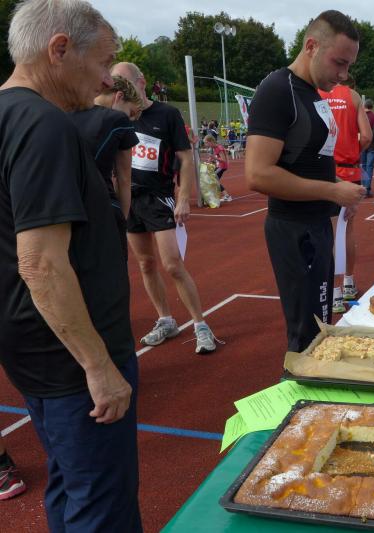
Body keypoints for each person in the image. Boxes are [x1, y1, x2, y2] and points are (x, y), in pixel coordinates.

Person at [0, 1, 141, 529]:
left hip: (34, 348)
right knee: (101, 504)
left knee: (71, 486)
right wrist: (98, 366)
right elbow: (39, 262)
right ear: (59, 49)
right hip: (71, 357)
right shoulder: (43, 125)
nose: (107, 80)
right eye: (103, 63)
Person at [245, 10, 364, 352]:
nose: (343, 74)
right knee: (306, 335)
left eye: (348, 66)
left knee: (320, 328)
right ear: (311, 46)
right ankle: (298, 385)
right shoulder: (277, 90)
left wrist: (339, 191)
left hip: (316, 224)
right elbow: (257, 173)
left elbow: (308, 160)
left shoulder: (313, 92)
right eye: (339, 63)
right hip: (294, 230)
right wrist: (333, 191)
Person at [112, 61, 218, 354]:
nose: (121, 89)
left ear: (141, 82)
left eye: (125, 82)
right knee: (145, 264)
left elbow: (184, 157)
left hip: (159, 197)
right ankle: (165, 319)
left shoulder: (167, 114)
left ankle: (200, 325)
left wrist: (183, 196)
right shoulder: (116, 115)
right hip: (130, 199)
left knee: (172, 264)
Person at [70, 75, 142, 259]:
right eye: (131, 113)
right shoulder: (117, 120)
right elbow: (124, 178)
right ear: (119, 97)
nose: (131, 120)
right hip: (101, 206)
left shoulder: (64, 110)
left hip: (64, 207)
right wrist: (122, 220)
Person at [319, 74, 372, 312]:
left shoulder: (316, 93)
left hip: (325, 170)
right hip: (350, 171)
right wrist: (353, 150)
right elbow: (367, 136)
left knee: (328, 234)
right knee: (347, 231)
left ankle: (335, 293)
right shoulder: (353, 96)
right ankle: (348, 283)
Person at [203, 134, 232, 202]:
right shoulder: (215, 147)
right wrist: (210, 160)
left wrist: (214, 158)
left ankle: (227, 196)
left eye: (206, 143)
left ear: (211, 141)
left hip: (222, 166)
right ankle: (223, 195)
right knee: (214, 180)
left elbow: (223, 160)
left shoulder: (219, 148)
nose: (206, 145)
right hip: (219, 166)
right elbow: (216, 157)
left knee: (213, 179)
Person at [360, 98, 374, 197]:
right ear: (372, 106)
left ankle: (363, 187)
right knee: (369, 166)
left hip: (362, 143)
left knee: (363, 166)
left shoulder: (361, 115)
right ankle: (367, 188)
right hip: (372, 144)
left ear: (364, 106)